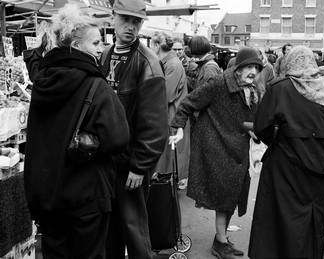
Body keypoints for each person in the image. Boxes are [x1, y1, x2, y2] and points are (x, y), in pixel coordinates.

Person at [23, 4, 130, 258]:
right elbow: (119, 138)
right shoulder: (96, 84)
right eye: (95, 43)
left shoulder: (41, 82)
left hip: (47, 195)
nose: (101, 48)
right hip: (86, 196)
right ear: (76, 46)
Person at [249, 46, 324, 259]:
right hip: (318, 169)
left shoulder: (280, 89)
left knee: (277, 221)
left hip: (283, 167)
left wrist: (277, 139)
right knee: (310, 224)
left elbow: (261, 127)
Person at [170, 47, 263, 259]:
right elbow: (188, 103)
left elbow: (249, 119)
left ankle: (221, 240)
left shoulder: (252, 90)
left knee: (232, 195)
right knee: (225, 195)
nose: (252, 72)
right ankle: (220, 242)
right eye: (248, 66)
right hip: (216, 147)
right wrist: (178, 128)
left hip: (238, 149)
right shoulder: (220, 83)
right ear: (238, 68)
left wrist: (256, 130)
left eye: (256, 68)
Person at [99, 0, 169, 258]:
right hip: (106, 159)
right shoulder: (105, 54)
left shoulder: (148, 63)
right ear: (114, 17)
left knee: (134, 229)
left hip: (130, 162)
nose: (130, 27)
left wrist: (140, 165)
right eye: (125, 19)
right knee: (109, 228)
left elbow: (155, 123)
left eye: (136, 21)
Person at [150, 31, 190, 185]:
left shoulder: (172, 64)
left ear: (157, 45)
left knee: (170, 152)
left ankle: (167, 180)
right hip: (171, 114)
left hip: (172, 115)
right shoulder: (170, 62)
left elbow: (166, 95)